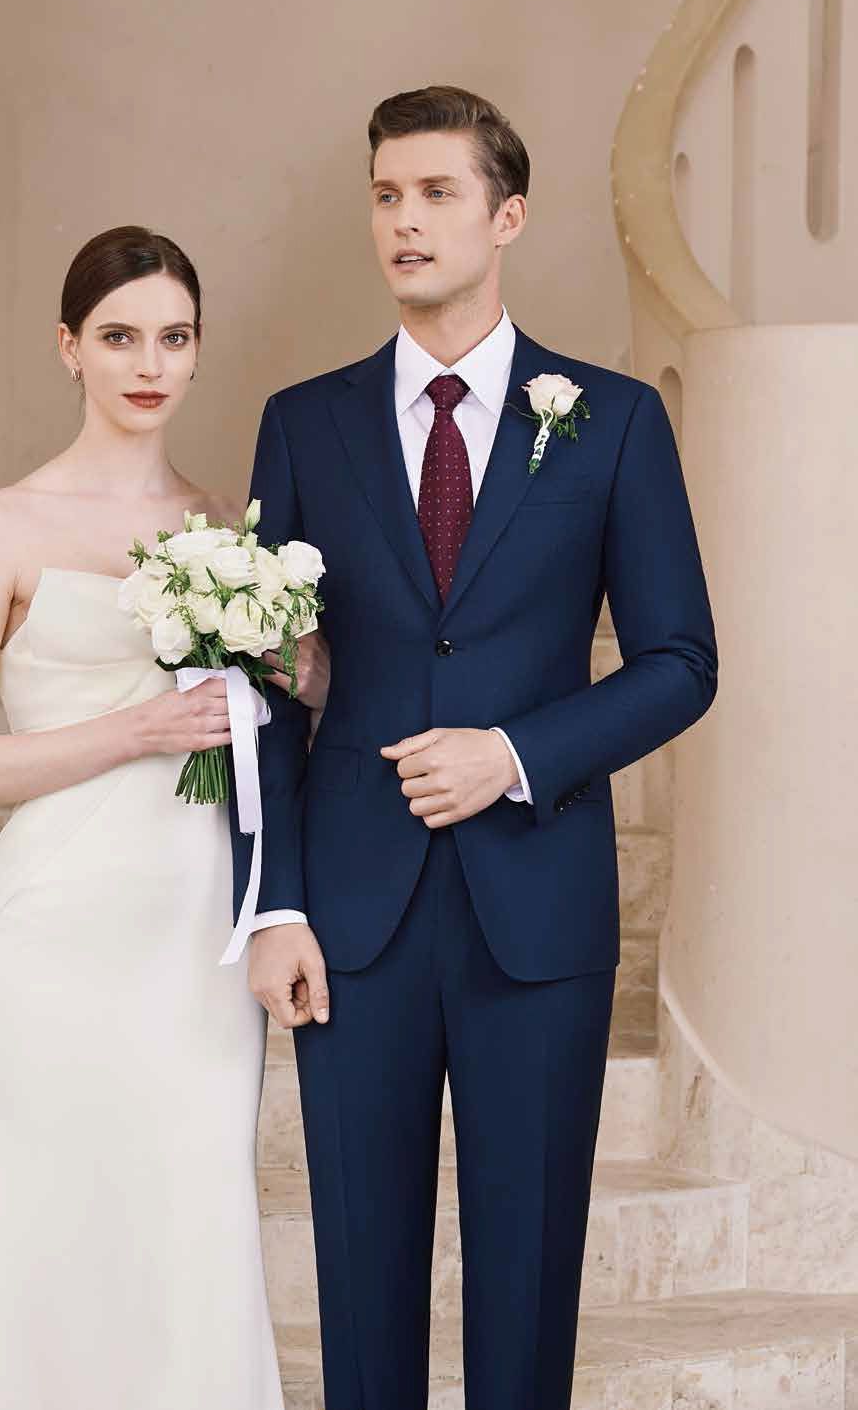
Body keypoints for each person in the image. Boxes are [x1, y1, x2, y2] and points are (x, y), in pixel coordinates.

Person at [243, 87, 718, 1410]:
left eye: (436, 193)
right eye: (387, 195)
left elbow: (683, 662)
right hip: (352, 913)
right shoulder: (307, 422)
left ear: (506, 215)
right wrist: (274, 899)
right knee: (363, 1292)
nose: (405, 220)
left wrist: (511, 750)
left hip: (538, 908)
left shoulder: (609, 419)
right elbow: (270, 687)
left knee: (524, 1298)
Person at [0, 225, 327, 1410]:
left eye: (174, 337)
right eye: (119, 336)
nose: (149, 362)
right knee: (53, 1234)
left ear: (197, 354)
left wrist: (296, 659)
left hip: (196, 936)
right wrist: (130, 734)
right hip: (57, 932)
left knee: (189, 1230)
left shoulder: (231, 533)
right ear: (70, 350)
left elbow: (307, 702)